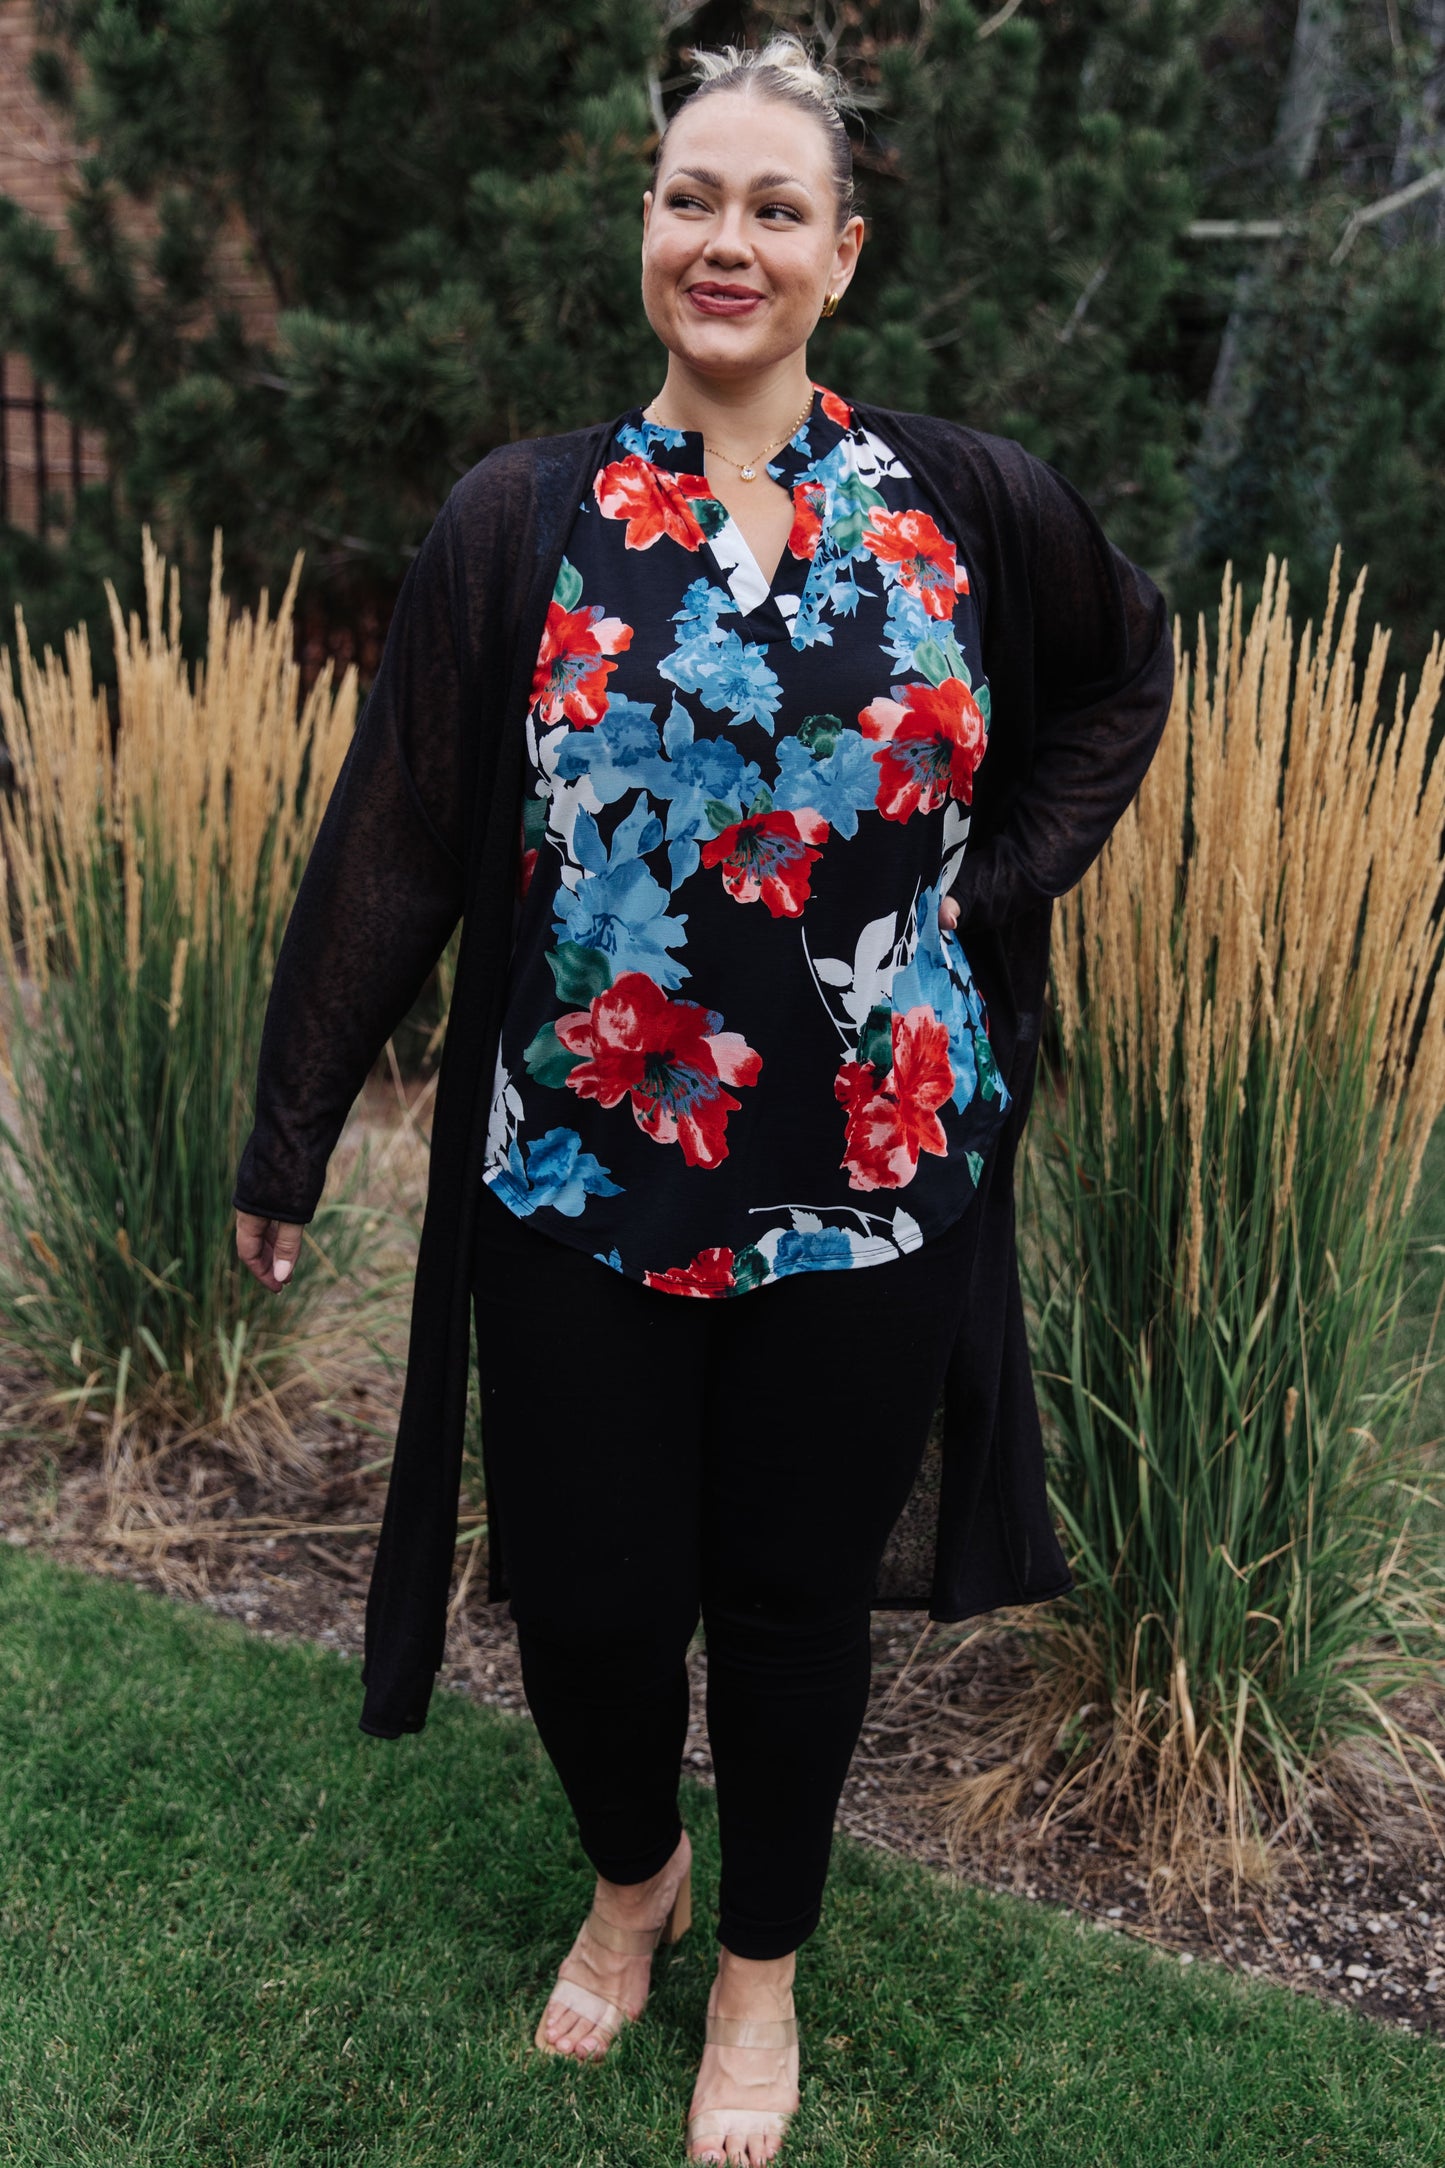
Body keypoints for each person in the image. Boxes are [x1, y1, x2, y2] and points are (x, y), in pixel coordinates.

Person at [233, 35, 1174, 2167]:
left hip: (869, 1180)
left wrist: (988, 876)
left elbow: (1122, 671)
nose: (721, 239)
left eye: (770, 206)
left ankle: (753, 1972)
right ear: (644, 228)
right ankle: (631, 1870)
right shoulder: (523, 522)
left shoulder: (962, 503)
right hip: (577, 1174)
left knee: (789, 1601)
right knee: (583, 1598)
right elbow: (399, 829)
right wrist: (288, 1133)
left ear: (842, 254)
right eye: (687, 197)